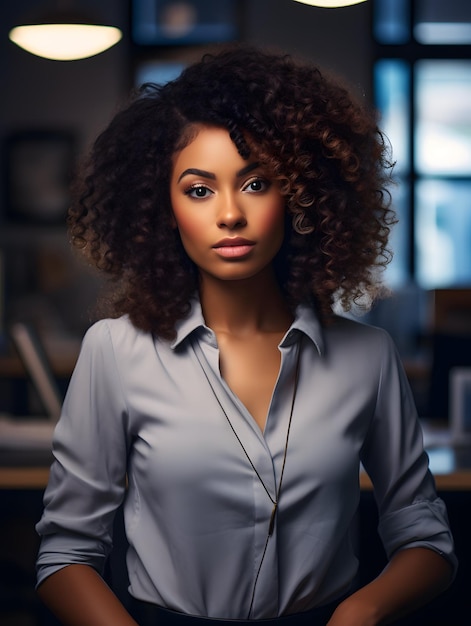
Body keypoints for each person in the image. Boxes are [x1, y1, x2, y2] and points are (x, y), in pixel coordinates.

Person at [35, 45, 457, 626]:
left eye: (256, 183)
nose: (230, 214)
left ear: (302, 196)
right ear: (164, 209)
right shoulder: (115, 350)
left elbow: (426, 539)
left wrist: (361, 611)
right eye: (200, 189)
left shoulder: (369, 358)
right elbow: (66, 554)